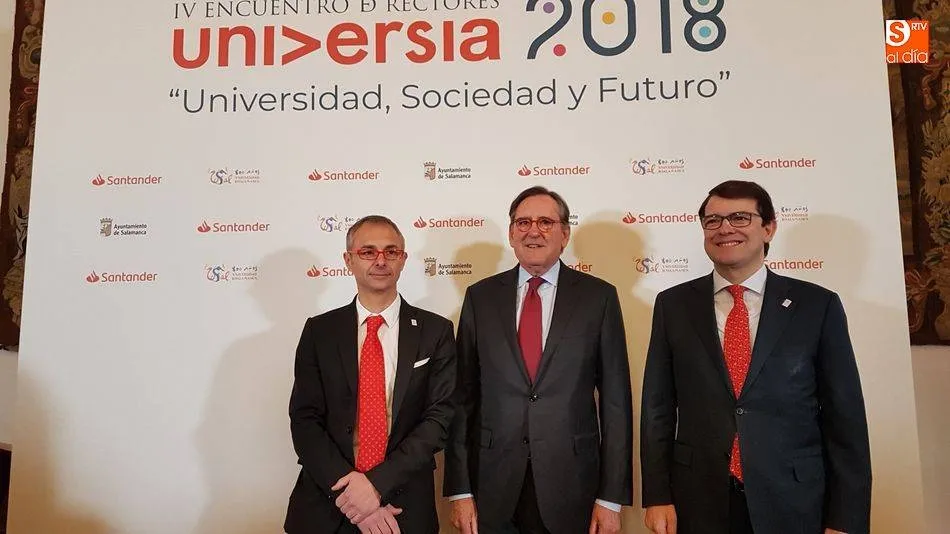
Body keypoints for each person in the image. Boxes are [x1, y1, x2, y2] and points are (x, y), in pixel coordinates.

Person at [640, 180, 872, 534]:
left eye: (739, 217)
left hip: (794, 498)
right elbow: (657, 409)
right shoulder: (673, 305)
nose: (725, 229)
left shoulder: (817, 306)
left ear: (768, 228)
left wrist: (845, 518)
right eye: (713, 220)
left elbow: (846, 419)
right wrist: (657, 495)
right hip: (698, 499)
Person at [444, 186, 633, 534]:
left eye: (546, 222)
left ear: (565, 234)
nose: (534, 231)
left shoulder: (598, 298)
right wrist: (459, 489)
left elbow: (616, 404)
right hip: (492, 484)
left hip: (572, 484)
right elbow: (462, 401)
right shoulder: (480, 298)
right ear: (512, 232)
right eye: (523, 222)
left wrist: (610, 498)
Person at [284, 215, 457, 534]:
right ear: (348, 260)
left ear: (403, 259)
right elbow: (305, 419)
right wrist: (357, 500)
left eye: (391, 251)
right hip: (327, 505)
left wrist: (376, 485)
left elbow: (439, 419)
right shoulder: (320, 332)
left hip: (404, 507)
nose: (381, 260)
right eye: (368, 252)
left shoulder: (436, 332)